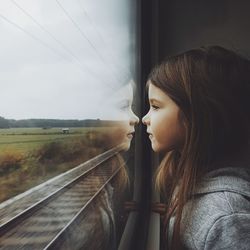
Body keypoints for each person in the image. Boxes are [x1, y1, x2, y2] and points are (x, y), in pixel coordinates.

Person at [142, 46, 250, 249]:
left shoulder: (226, 218)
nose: (144, 119)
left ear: (197, 115)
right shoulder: (192, 180)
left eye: (155, 106)